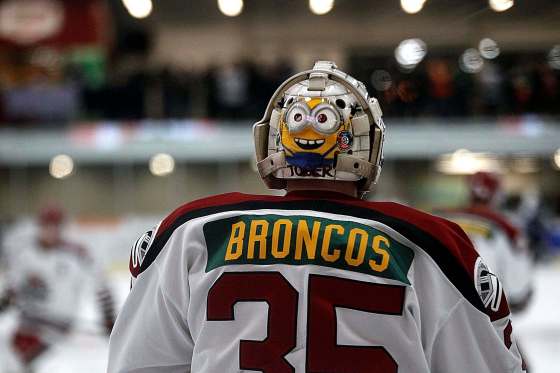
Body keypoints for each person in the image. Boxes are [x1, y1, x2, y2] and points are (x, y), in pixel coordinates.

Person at [108, 61, 527, 372]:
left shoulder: (190, 231)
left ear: (271, 142)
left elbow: (142, 364)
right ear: (369, 147)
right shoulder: (429, 243)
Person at [0, 205, 115, 373]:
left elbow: (101, 288)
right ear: (39, 226)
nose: (51, 230)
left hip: (57, 332)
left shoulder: (78, 255)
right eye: (47, 225)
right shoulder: (24, 254)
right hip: (26, 328)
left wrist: (109, 319)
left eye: (56, 225)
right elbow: (11, 290)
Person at [437, 171, 534, 312]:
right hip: (487, 308)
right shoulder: (507, 228)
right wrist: (518, 297)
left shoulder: (444, 219)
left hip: (440, 306)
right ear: (495, 195)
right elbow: (517, 282)